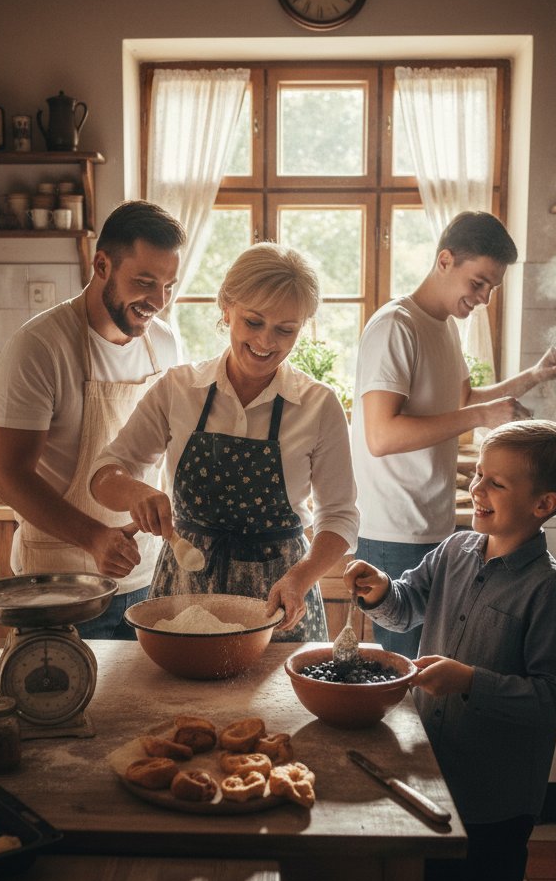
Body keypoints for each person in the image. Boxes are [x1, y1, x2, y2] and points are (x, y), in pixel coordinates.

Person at [343, 419, 556, 881]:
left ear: (543, 504)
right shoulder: (455, 549)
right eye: (477, 475)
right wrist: (382, 590)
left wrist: (470, 681)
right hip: (439, 775)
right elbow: (407, 605)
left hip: (496, 798)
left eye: (496, 484)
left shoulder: (550, 593)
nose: (476, 491)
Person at [89, 242, 358, 641]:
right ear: (226, 309)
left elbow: (339, 517)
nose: (266, 342)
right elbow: (104, 473)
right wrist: (134, 494)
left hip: (280, 598)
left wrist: (302, 576)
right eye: (253, 322)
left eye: (286, 330)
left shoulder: (318, 404)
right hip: (187, 594)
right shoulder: (179, 389)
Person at [351, 210, 556, 657]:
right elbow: (382, 435)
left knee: (435, 666)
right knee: (408, 677)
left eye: (492, 288)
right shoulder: (397, 326)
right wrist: (481, 417)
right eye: (479, 283)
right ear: (445, 261)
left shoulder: (445, 327)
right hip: (394, 532)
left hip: (432, 528)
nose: (484, 298)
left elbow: (464, 400)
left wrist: (534, 376)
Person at [0, 200, 186, 639]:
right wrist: (96, 538)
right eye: (144, 282)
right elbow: (11, 477)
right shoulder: (39, 348)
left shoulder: (166, 343)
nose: (157, 301)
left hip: (145, 578)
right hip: (59, 589)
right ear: (102, 265)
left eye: (168, 286)